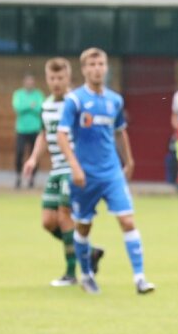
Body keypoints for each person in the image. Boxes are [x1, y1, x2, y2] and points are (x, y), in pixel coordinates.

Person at [56, 47, 155, 295]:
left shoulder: (115, 100)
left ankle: (140, 279)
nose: (97, 69)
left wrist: (129, 161)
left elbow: (120, 131)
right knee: (83, 227)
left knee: (127, 220)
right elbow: (61, 135)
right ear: (84, 70)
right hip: (84, 176)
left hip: (111, 172)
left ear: (106, 67)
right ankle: (87, 275)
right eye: (92, 65)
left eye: (101, 64)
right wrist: (75, 167)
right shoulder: (75, 101)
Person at [21, 57, 103, 286]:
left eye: (61, 78)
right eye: (52, 78)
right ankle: (89, 251)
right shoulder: (46, 106)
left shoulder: (76, 103)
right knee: (48, 221)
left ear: (69, 78)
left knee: (64, 215)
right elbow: (44, 135)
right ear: (47, 79)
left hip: (74, 167)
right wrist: (33, 158)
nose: (56, 82)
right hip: (56, 169)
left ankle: (71, 273)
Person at [12, 73, 45, 189]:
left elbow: (40, 108)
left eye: (31, 82)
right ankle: (18, 176)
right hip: (21, 129)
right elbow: (18, 108)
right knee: (19, 153)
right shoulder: (18, 94)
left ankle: (32, 178)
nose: (29, 84)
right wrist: (30, 106)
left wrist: (28, 107)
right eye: (28, 81)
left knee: (34, 154)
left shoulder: (38, 94)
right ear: (24, 82)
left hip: (35, 129)